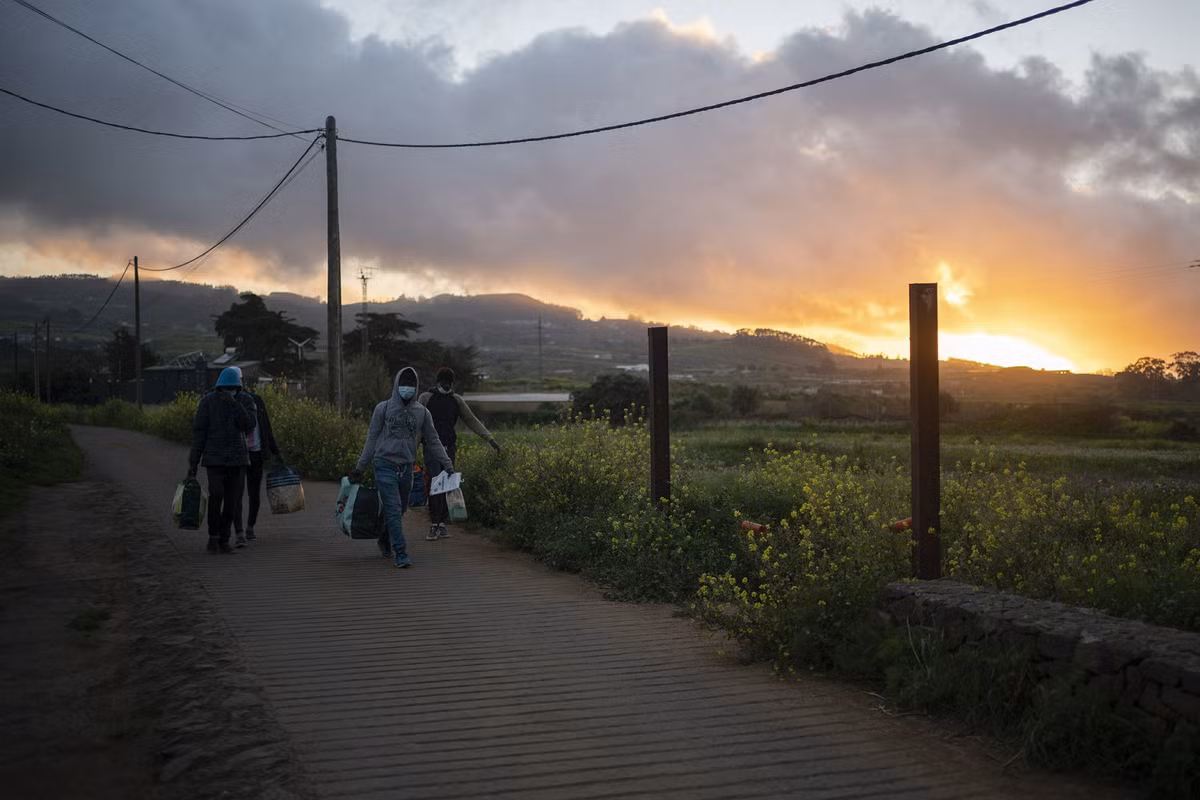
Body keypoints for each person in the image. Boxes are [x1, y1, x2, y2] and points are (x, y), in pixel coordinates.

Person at [351, 366, 453, 569]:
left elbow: (433, 441)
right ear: (396, 385)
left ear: (415, 388)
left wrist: (447, 464)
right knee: (393, 507)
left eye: (410, 385)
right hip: (384, 464)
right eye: (403, 384)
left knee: (401, 508)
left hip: (407, 467)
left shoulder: (422, 412)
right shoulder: (383, 409)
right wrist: (360, 466)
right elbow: (372, 439)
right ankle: (401, 552)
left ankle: (384, 536)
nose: (406, 388)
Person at [418, 366, 501, 541]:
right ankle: (435, 524)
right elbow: (418, 425)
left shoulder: (456, 400)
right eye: (444, 382)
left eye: (449, 382)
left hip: (449, 447)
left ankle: (442, 523)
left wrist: (490, 439)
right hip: (431, 448)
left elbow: (471, 420)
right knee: (435, 483)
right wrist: (412, 448)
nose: (447, 385)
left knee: (446, 484)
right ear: (438, 382)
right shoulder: (426, 398)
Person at [188, 366, 257, 554]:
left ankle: (224, 539)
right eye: (226, 388)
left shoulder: (246, 400)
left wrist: (234, 404)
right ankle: (213, 536)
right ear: (219, 386)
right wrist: (193, 462)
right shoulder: (208, 402)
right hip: (215, 458)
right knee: (216, 494)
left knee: (232, 501)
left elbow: (249, 425)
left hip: (238, 459)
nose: (229, 390)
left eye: (233, 387)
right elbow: (199, 433)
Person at [233, 384, 280, 546]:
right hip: (238, 454)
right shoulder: (230, 401)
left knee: (254, 494)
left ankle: (250, 527)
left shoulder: (257, 400)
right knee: (236, 494)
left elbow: (266, 426)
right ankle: (239, 531)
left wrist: (275, 451)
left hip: (256, 453)